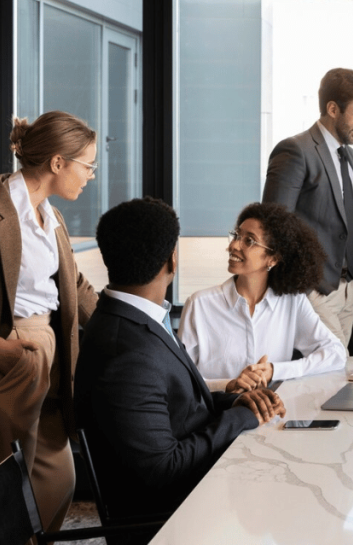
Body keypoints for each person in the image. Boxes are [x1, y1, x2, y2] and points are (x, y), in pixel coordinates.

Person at [74, 197, 284, 530]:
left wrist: (235, 401)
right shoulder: (125, 355)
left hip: (195, 494)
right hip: (173, 519)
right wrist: (241, 418)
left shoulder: (135, 317)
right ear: (172, 260)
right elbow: (163, 469)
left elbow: (176, 404)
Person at [0, 111, 99, 532]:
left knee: (59, 478)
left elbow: (76, 285)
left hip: (52, 351)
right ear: (58, 163)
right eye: (89, 166)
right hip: (6, 359)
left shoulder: (51, 217)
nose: (92, 176)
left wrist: (123, 327)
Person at [262, 68, 353, 348]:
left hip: (350, 288)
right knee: (336, 365)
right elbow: (274, 225)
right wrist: (304, 288)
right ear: (333, 109)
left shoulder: (348, 154)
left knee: (332, 375)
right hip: (316, 290)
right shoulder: (295, 150)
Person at [179, 202, 347, 391]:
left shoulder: (293, 303)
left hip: (272, 416)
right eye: (236, 236)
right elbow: (180, 379)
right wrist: (228, 385)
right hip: (217, 416)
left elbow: (336, 354)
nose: (234, 245)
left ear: (273, 259)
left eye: (249, 241)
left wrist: (274, 370)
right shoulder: (199, 305)